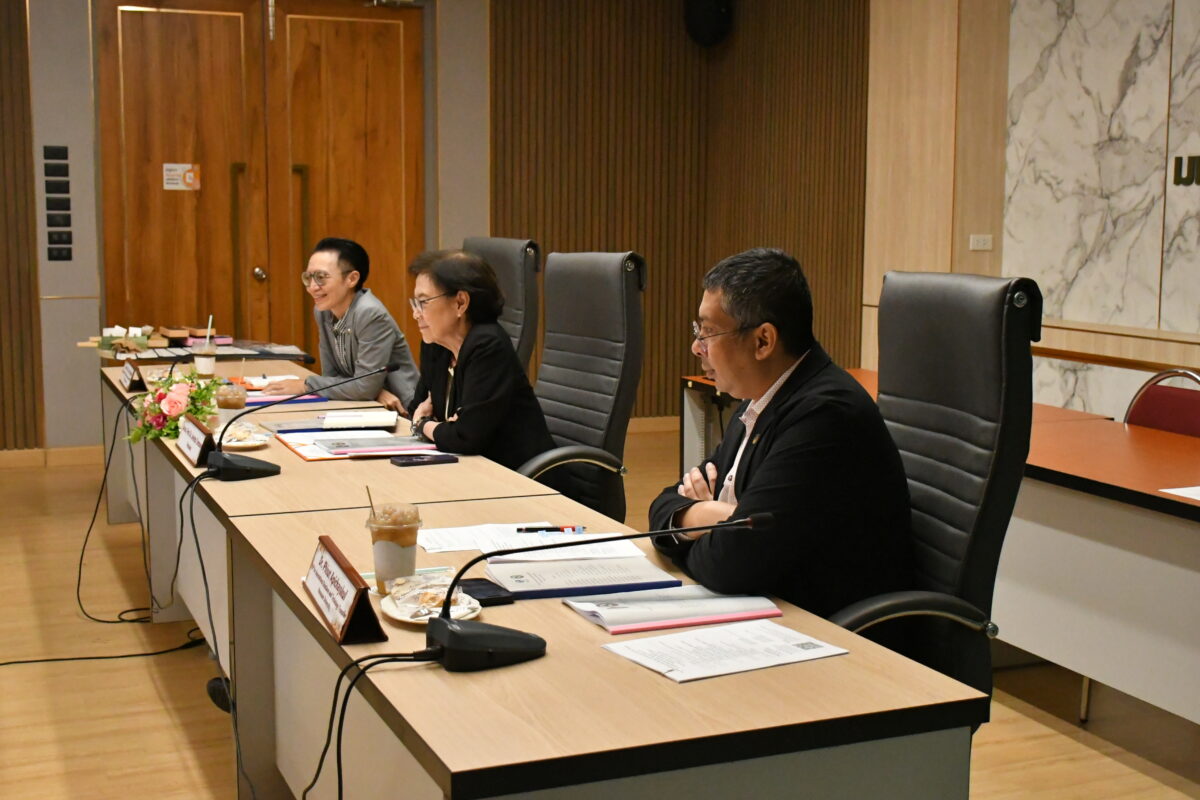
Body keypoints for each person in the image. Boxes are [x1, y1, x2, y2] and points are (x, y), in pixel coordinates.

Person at [650, 248, 912, 618]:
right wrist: (705, 515)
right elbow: (663, 505)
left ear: (763, 341)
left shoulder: (824, 416)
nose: (697, 347)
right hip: (769, 610)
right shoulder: (761, 397)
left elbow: (731, 565)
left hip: (829, 630)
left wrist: (703, 531)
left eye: (708, 332)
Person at [405, 249, 556, 471]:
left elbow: (464, 437)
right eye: (415, 303)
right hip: (467, 469)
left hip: (517, 477)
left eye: (423, 302)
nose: (416, 314)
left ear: (460, 302)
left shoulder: (488, 346)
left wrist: (424, 425)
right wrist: (439, 428)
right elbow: (415, 409)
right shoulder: (436, 345)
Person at [263, 237, 418, 411]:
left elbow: (364, 387)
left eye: (321, 277)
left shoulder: (370, 313)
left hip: (401, 410)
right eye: (308, 277)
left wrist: (305, 385)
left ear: (352, 279)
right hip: (362, 404)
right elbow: (331, 377)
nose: (312, 287)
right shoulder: (323, 311)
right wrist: (373, 391)